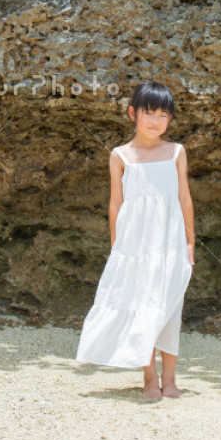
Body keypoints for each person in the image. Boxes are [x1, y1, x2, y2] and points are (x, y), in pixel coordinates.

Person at [76, 81, 196, 399]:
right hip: (136, 247)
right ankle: (149, 378)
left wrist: (189, 243)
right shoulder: (121, 156)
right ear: (133, 113)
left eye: (163, 114)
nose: (155, 121)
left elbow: (184, 199)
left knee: (170, 308)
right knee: (141, 306)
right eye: (148, 113)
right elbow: (116, 203)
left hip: (170, 245)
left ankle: (170, 379)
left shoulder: (176, 153)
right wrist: (118, 248)